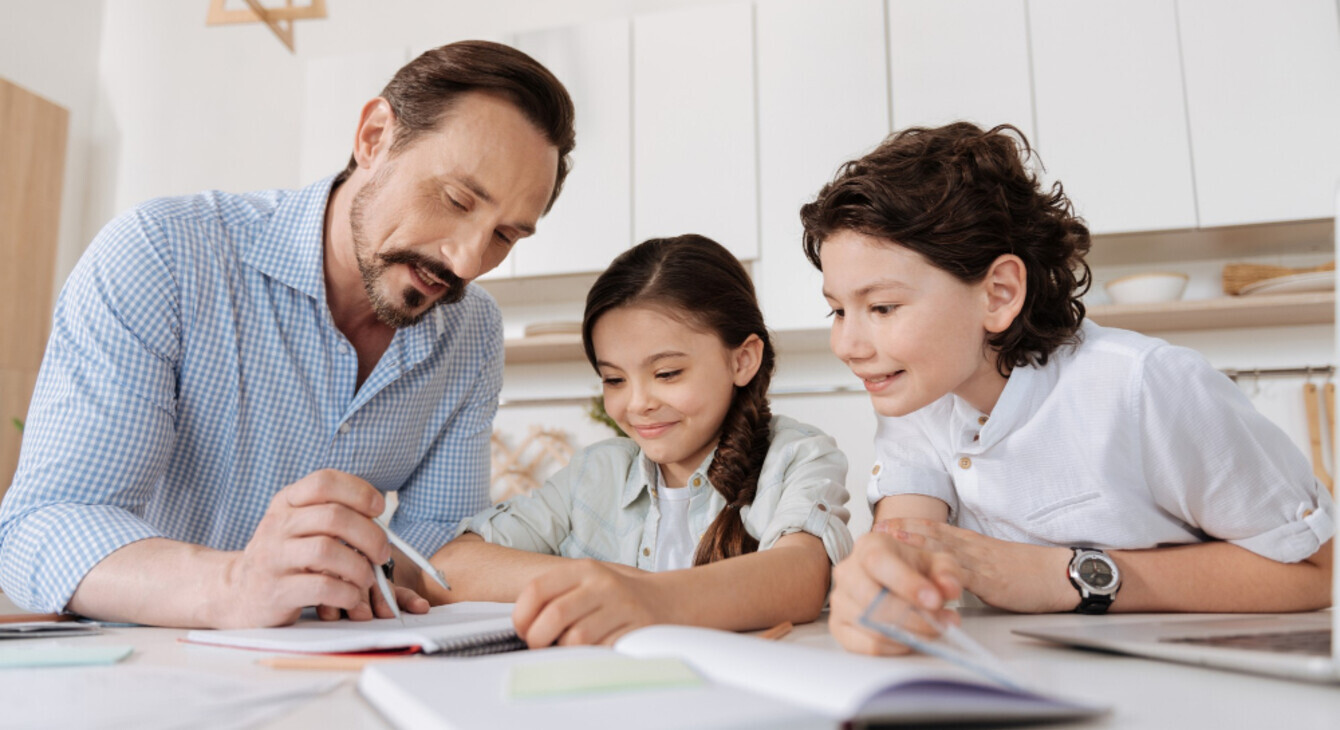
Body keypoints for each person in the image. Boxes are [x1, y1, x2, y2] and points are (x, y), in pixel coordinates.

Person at [0, 41, 575, 629]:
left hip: (337, 661)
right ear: (374, 137)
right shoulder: (164, 256)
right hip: (144, 664)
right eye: (456, 199)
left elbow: (431, 549)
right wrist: (234, 586)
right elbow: (42, 523)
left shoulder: (471, 331)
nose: (467, 259)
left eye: (506, 235)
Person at [801, 122, 1336, 655]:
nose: (847, 344)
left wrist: (1066, 575)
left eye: (882, 308)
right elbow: (911, 536)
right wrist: (886, 583)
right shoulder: (915, 394)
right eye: (838, 310)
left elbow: (1312, 569)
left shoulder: (1143, 385)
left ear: (999, 294)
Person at [413, 234, 853, 647]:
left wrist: (644, 597)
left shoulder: (796, 456)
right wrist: (603, 580)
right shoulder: (595, 474)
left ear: (742, 360)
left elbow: (800, 575)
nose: (637, 403)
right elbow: (447, 570)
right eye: (614, 379)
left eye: (667, 373)